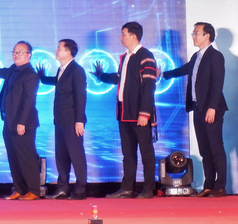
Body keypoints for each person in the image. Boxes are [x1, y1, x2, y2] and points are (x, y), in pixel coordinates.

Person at [160, 22, 228, 197]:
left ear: (207, 35)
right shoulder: (196, 57)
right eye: (193, 33)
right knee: (205, 149)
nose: (193, 36)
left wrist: (212, 107)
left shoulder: (216, 56)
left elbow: (217, 84)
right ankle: (208, 185)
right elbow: (184, 70)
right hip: (198, 108)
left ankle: (220, 186)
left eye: (196, 33)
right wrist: (164, 74)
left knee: (215, 148)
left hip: (211, 109)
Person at [91, 21, 157, 199]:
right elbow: (120, 79)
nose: (121, 37)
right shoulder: (126, 57)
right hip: (124, 113)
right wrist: (101, 75)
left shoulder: (146, 56)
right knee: (128, 154)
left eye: (123, 34)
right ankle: (128, 188)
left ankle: (148, 189)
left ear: (133, 36)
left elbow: (149, 86)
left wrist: (145, 113)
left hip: (139, 114)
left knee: (146, 153)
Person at [0, 41, 41, 201]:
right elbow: (1, 72)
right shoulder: (13, 70)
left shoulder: (30, 75)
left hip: (23, 124)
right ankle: (20, 189)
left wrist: (21, 122)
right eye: (14, 51)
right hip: (9, 121)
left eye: (20, 52)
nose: (16, 54)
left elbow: (29, 102)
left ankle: (34, 190)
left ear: (29, 55)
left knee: (26, 157)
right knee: (14, 156)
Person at [36, 39, 88, 200]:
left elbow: (81, 96)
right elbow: (56, 82)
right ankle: (63, 188)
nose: (56, 51)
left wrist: (79, 120)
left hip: (73, 121)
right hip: (60, 120)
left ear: (68, 52)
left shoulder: (77, 70)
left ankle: (80, 190)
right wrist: (42, 77)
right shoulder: (62, 69)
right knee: (62, 156)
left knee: (76, 155)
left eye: (59, 48)